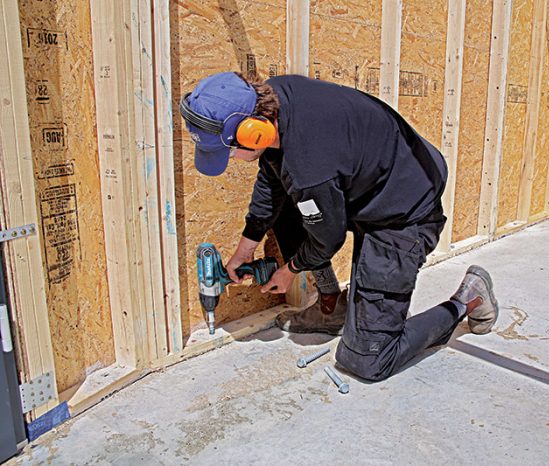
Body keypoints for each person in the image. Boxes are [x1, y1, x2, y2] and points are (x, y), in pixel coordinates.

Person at [179, 71, 499, 381]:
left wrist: (289, 270)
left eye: (229, 150)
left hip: (405, 216)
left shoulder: (309, 164)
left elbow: (327, 239)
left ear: (254, 131)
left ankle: (468, 299)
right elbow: (271, 178)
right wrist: (244, 249)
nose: (230, 158)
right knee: (289, 202)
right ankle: (331, 306)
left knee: (366, 358)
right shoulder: (275, 99)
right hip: (368, 187)